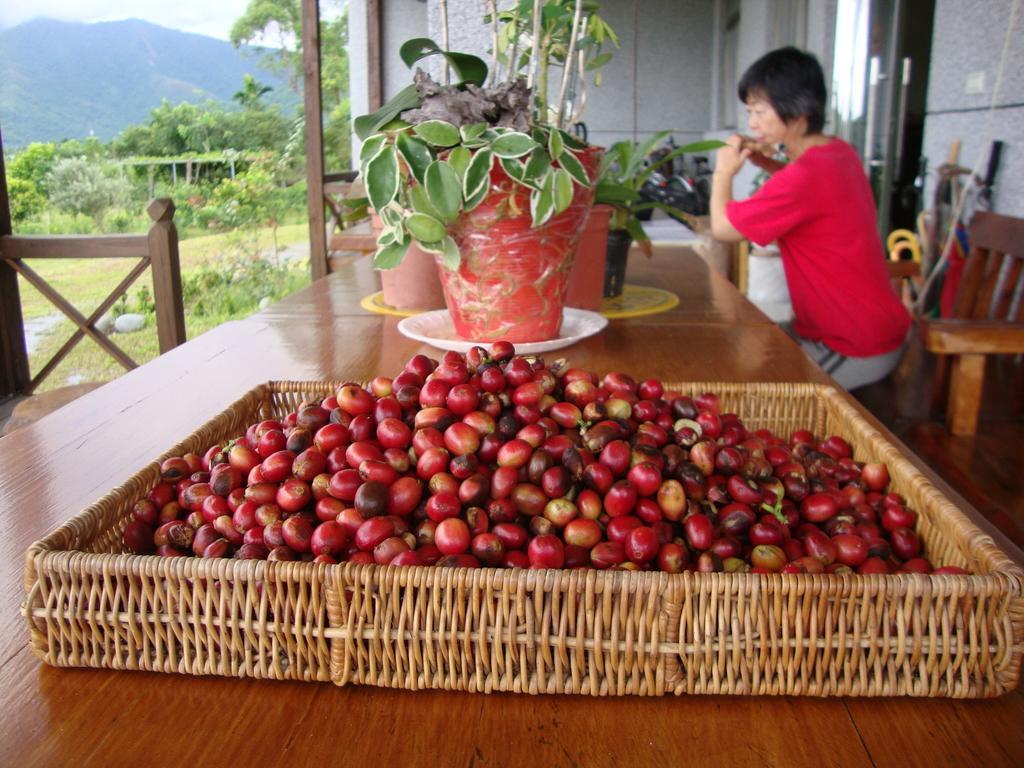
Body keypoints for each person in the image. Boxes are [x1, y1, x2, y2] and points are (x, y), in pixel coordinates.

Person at [710, 47, 910, 390]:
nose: (752, 123)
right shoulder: (837, 153)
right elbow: (811, 191)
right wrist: (767, 163)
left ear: (798, 112)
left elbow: (723, 228)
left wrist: (723, 172)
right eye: (750, 112)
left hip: (851, 344)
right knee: (748, 355)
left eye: (759, 111)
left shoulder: (805, 177)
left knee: (753, 391)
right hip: (878, 326)